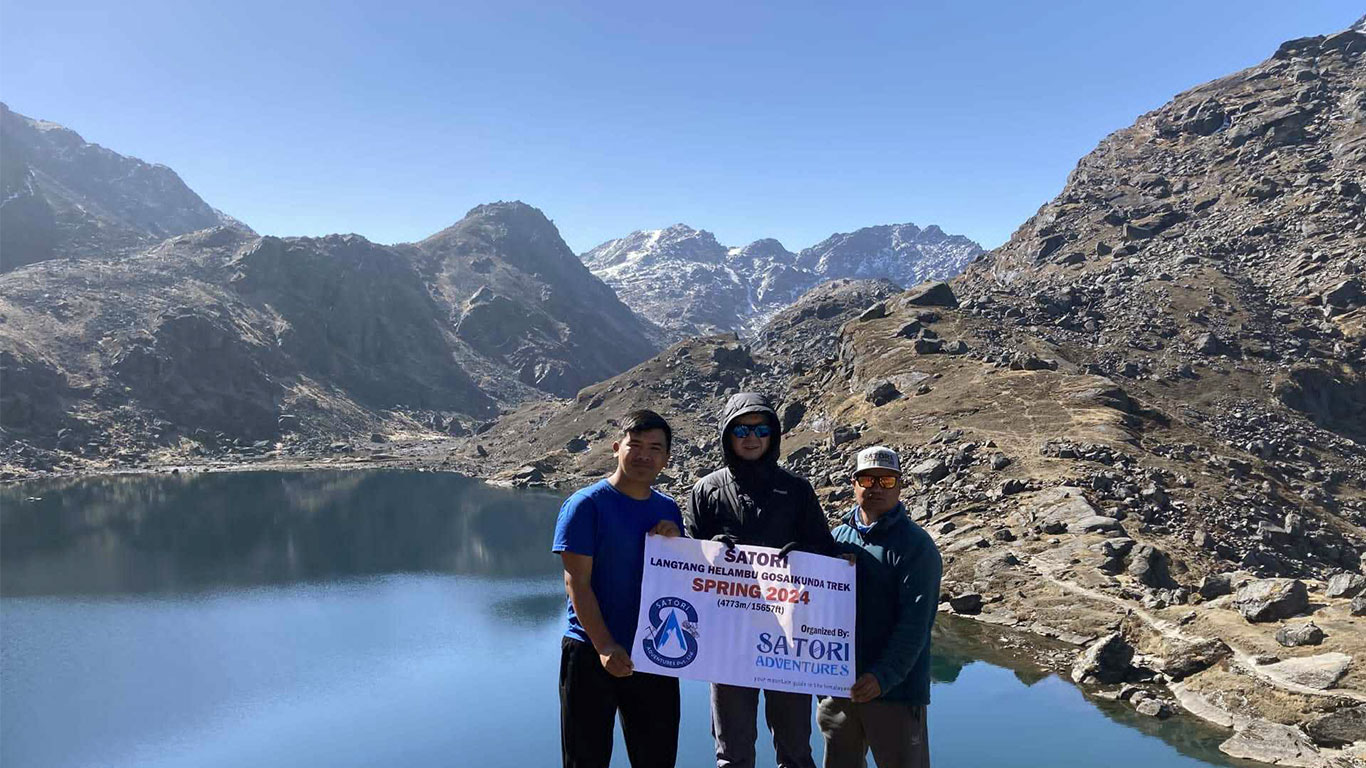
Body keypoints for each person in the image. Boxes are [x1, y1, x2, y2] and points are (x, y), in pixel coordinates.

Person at [685, 392, 835, 768]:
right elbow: (684, 565)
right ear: (727, 435)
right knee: (732, 752)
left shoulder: (797, 490)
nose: (751, 437)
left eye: (761, 429)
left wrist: (804, 553)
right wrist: (707, 551)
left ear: (773, 434)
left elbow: (825, 550)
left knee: (795, 748)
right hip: (727, 640)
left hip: (788, 640)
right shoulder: (706, 490)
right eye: (741, 430)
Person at [552, 410, 684, 768]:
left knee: (657, 759)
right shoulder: (585, 505)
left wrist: (676, 543)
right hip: (591, 652)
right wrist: (605, 645)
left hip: (654, 654)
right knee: (585, 760)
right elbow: (576, 583)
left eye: (655, 448)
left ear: (666, 458)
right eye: (635, 445)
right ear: (616, 448)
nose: (644, 455)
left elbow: (679, 579)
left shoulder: (668, 509)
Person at [818, 446, 942, 768]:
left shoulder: (916, 546)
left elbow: (915, 626)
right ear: (854, 484)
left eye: (886, 481)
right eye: (867, 480)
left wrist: (882, 677)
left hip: (894, 694)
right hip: (839, 692)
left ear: (900, 486)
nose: (875, 488)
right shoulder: (837, 538)